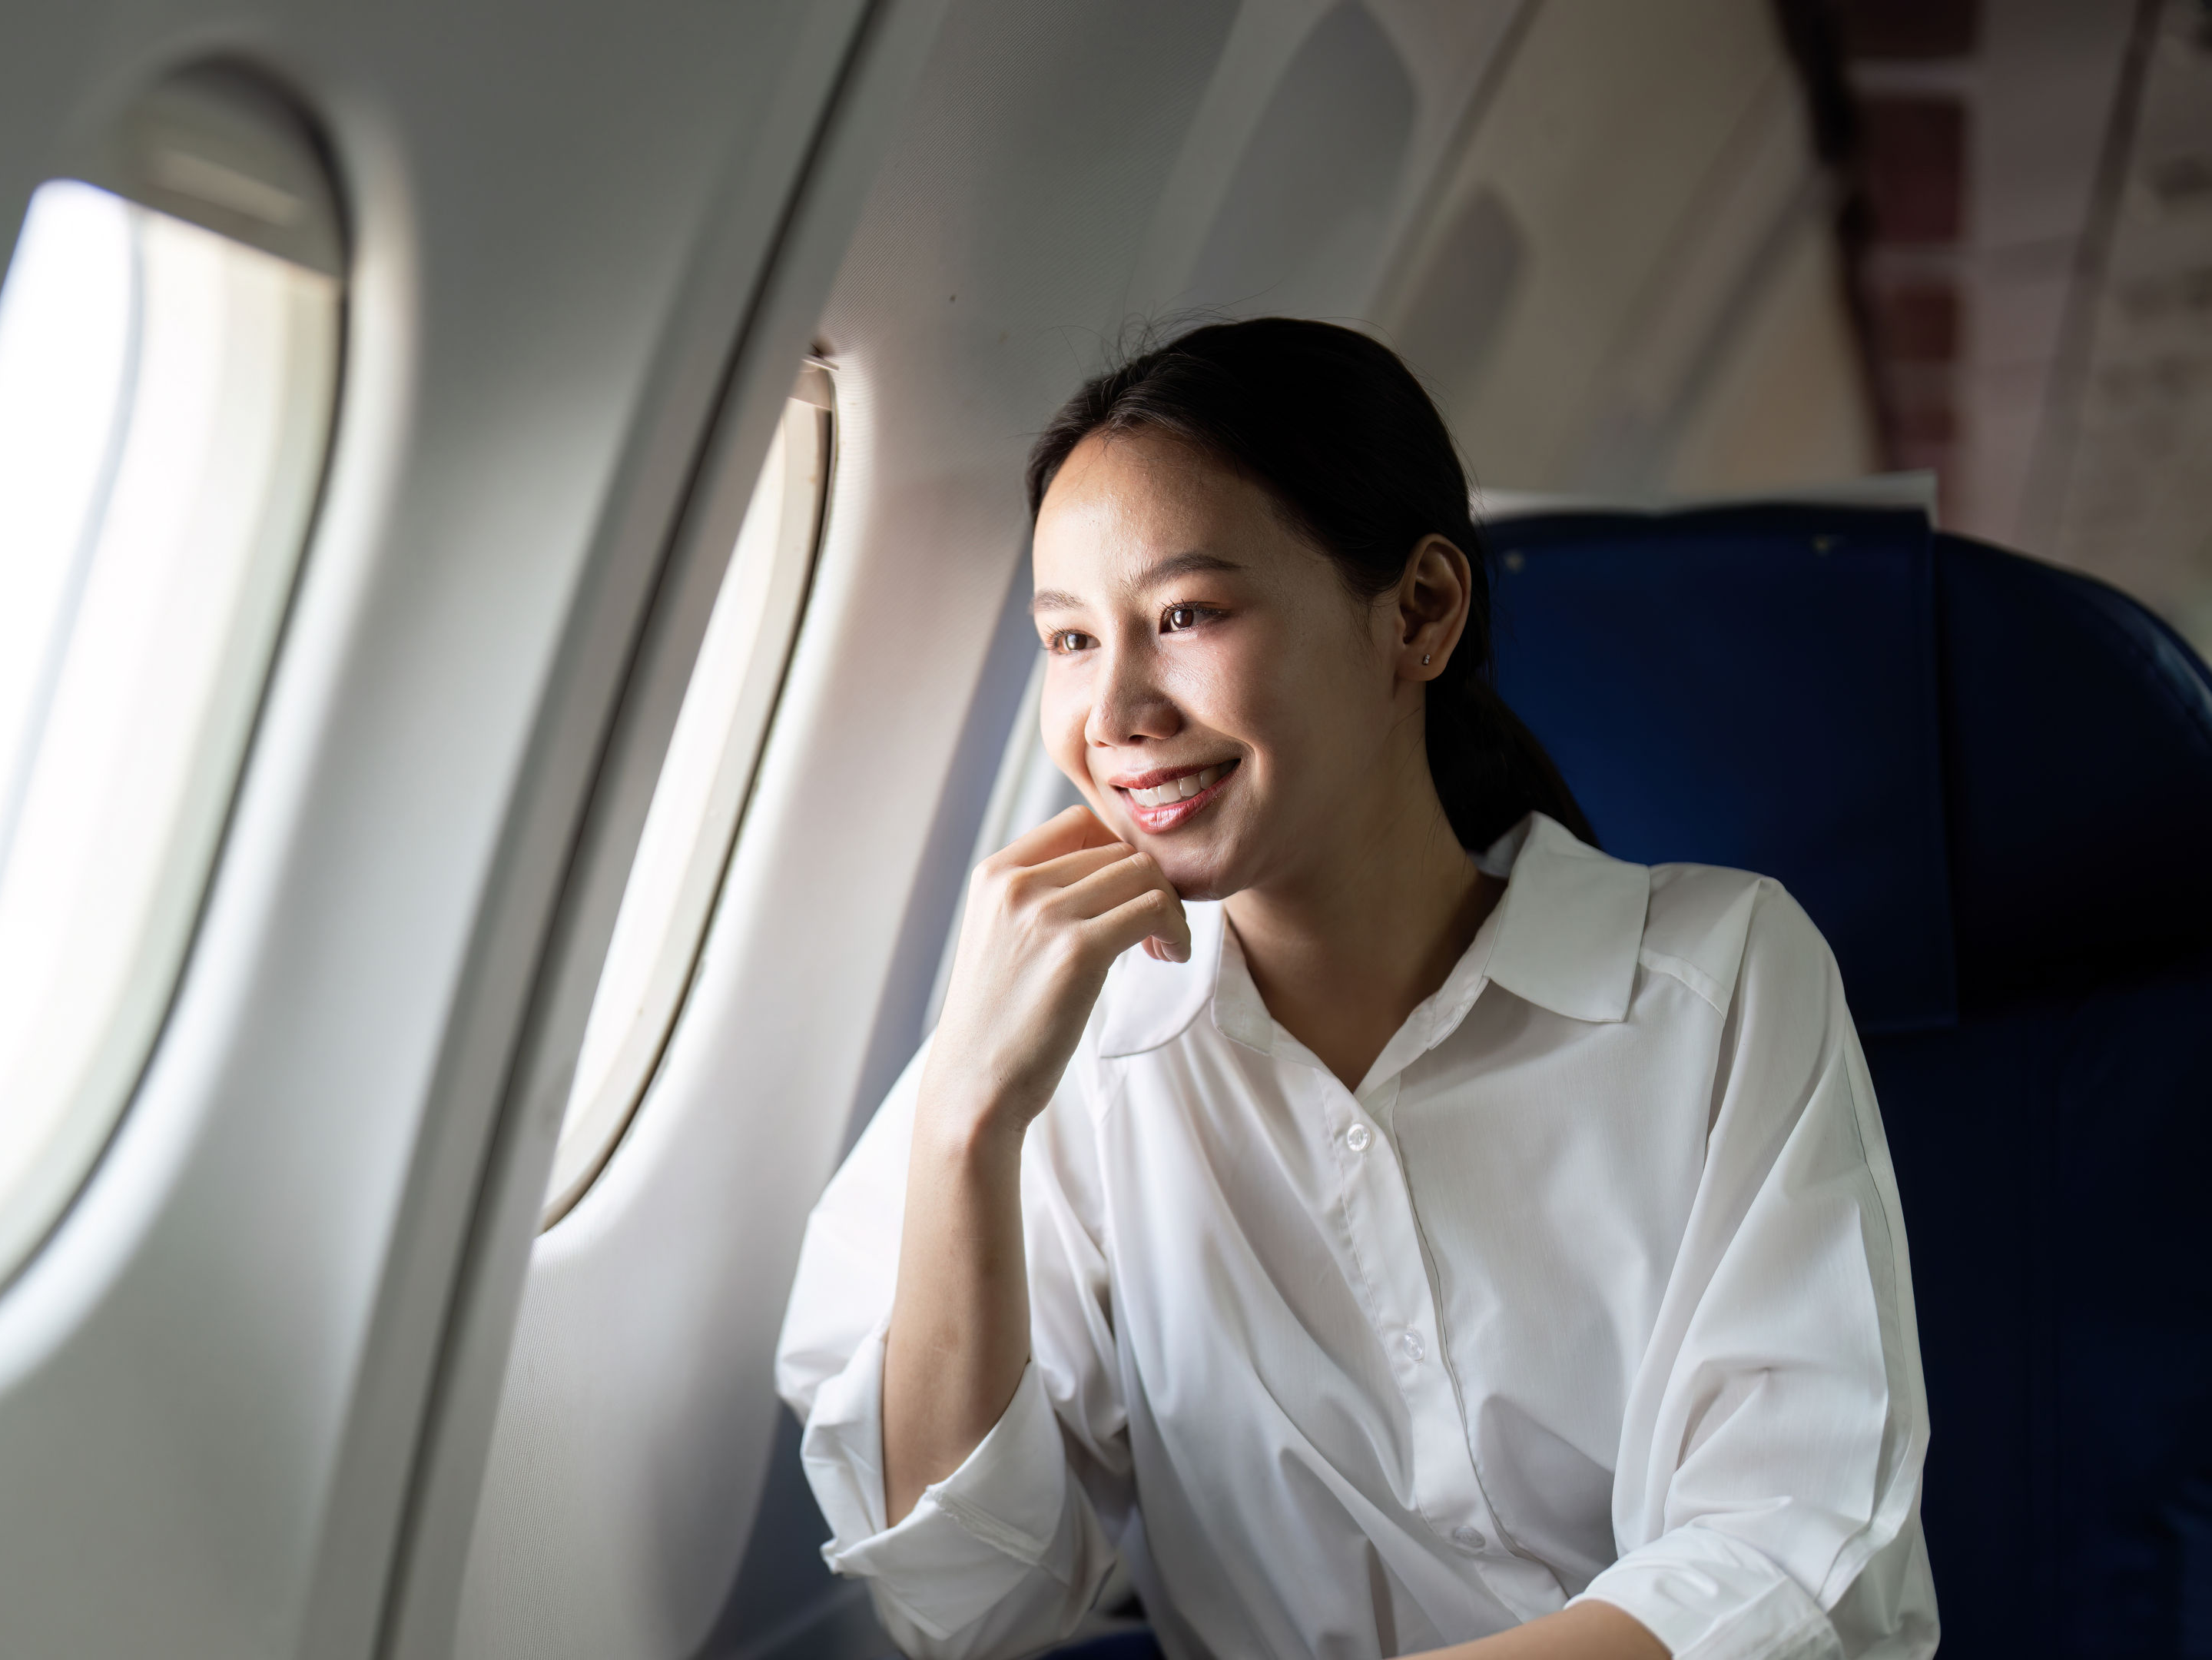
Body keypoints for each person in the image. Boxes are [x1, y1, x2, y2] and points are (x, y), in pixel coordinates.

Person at [774, 320, 1935, 1660]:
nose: (1117, 711)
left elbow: (1789, 1551)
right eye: (1072, 640)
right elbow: (964, 1610)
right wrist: (968, 1122)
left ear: (1420, 613)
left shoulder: (1714, 980)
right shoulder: (1070, 1054)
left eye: (1187, 615)